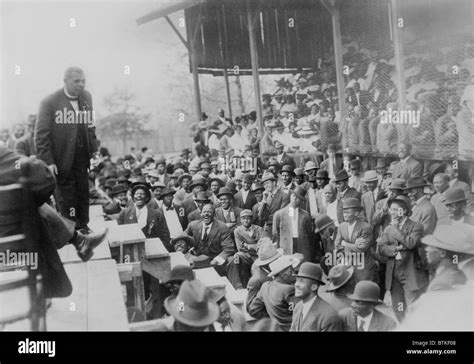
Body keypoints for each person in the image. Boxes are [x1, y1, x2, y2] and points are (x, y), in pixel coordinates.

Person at [0, 146, 107, 299]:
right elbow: (44, 178)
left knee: (26, 202)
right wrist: (33, 162)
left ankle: (79, 241)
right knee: (31, 204)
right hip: (13, 247)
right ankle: (78, 242)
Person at [35, 66, 98, 233]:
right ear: (65, 82)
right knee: (66, 195)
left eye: (83, 81)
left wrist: (94, 151)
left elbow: (90, 126)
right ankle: (71, 230)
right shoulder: (49, 102)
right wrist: (48, 161)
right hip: (61, 157)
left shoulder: (86, 97)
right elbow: (41, 136)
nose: (81, 84)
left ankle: (83, 225)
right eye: (76, 81)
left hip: (81, 155)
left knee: (83, 191)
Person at [376, 195, 428, 321]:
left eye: (395, 209)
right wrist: (395, 249)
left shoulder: (416, 226)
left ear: (404, 211)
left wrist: (395, 230)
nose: (392, 212)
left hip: (410, 273)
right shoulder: (388, 228)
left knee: (413, 307)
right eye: (391, 209)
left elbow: (411, 243)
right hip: (394, 275)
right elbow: (381, 249)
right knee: (398, 308)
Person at [247, 255, 299, 331]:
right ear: (281, 273)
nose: (293, 273)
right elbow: (301, 313)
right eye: (290, 270)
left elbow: (253, 309)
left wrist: (272, 317)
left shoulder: (265, 286)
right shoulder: (289, 290)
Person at [184, 204, 235, 276]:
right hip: (197, 259)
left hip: (214, 260)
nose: (206, 214)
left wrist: (216, 260)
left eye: (209, 212)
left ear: (214, 214)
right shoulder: (193, 225)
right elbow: (183, 238)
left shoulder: (222, 227)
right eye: (204, 212)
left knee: (232, 259)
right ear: (201, 214)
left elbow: (229, 248)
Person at [334, 198, 378, 283]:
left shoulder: (365, 227)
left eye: (348, 212)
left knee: (363, 290)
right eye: (344, 212)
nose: (345, 215)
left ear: (356, 213)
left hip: (363, 265)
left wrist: (345, 243)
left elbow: (362, 248)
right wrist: (353, 246)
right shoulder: (341, 226)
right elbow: (337, 244)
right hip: (347, 263)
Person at [290, 262, 342, 331]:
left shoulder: (328, 316)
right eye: (297, 280)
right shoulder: (298, 307)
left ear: (314, 287)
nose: (296, 285)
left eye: (301, 281)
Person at [273, 187, 317, 263]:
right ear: (290, 196)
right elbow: (275, 234)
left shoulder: (305, 215)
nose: (295, 199)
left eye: (298, 198)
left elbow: (309, 233)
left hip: (301, 244)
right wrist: (278, 250)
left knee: (301, 265)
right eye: (293, 196)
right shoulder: (279, 214)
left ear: (301, 201)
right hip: (286, 245)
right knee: (287, 266)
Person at [421, 225, 467, 291]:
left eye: (431, 246)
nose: (426, 249)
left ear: (442, 253)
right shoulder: (457, 272)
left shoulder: (439, 283)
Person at [227, 210, 264, 289]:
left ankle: (255, 287)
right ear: (240, 220)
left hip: (258, 256)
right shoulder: (237, 231)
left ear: (252, 219)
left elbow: (262, 245)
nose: (246, 220)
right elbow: (240, 248)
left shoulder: (259, 229)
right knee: (236, 257)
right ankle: (237, 285)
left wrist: (248, 246)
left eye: (248, 218)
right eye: (244, 218)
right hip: (245, 255)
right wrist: (254, 246)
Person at [245, 240, 283, 312]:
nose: (278, 260)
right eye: (276, 259)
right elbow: (251, 308)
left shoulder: (276, 270)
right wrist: (270, 315)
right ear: (267, 263)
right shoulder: (256, 280)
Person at [260, 172, 290, 238]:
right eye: (264, 184)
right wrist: (264, 201)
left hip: (279, 229)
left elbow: (282, 215)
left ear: (274, 183)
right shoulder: (266, 197)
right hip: (268, 229)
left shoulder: (284, 196)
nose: (266, 186)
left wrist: (268, 218)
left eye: (268, 183)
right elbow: (261, 217)